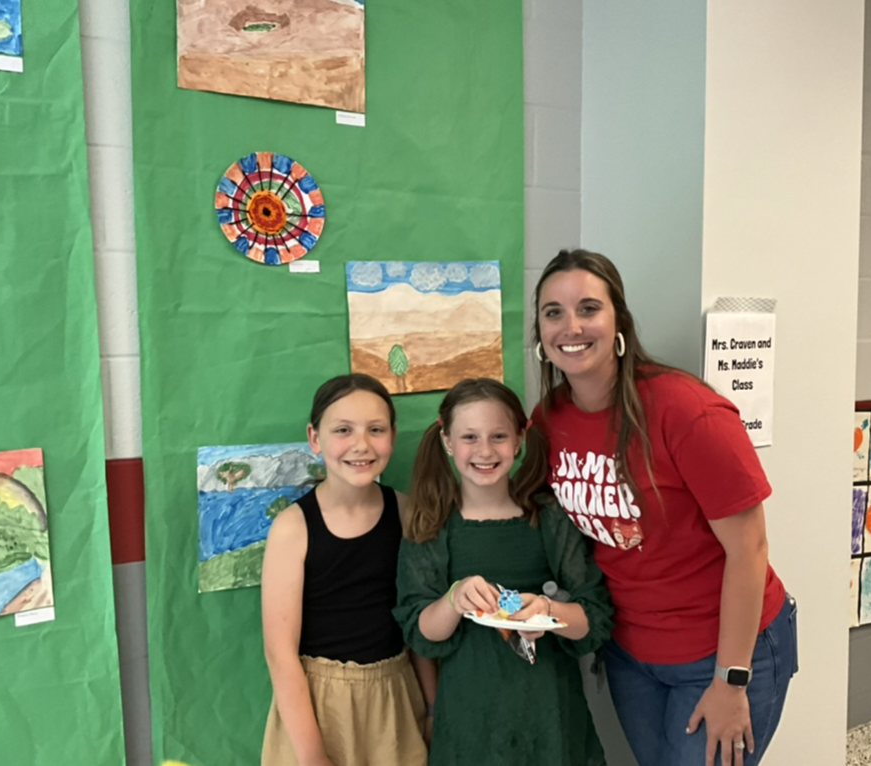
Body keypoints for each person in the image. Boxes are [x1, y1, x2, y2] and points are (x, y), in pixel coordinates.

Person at [530, 249, 798, 766]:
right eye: (553, 312)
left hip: (722, 653)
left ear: (618, 322)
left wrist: (731, 679)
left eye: (588, 308)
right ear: (540, 332)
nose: (571, 326)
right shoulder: (549, 420)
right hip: (632, 655)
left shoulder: (685, 411)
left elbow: (750, 550)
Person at [394, 378, 613, 766]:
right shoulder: (432, 524)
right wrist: (454, 597)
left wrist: (548, 612)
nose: (484, 451)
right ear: (447, 441)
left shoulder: (549, 517)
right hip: (471, 721)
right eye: (469, 437)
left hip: (552, 715)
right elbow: (421, 633)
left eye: (498, 436)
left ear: (519, 439)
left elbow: (593, 620)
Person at [260, 374, 433, 766]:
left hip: (396, 701)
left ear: (392, 434)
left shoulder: (406, 513)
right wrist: (312, 756)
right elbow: (280, 653)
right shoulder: (293, 528)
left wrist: (433, 707)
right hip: (318, 708)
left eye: (376, 429)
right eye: (343, 430)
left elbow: (417, 620)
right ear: (315, 437)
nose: (361, 445)